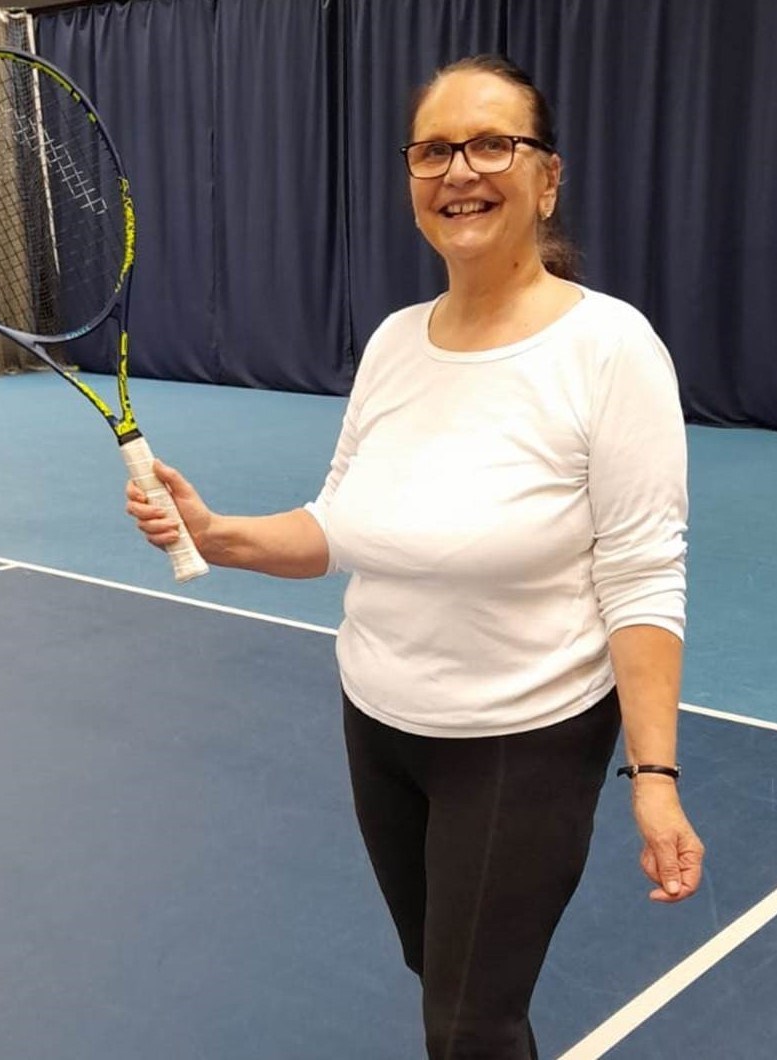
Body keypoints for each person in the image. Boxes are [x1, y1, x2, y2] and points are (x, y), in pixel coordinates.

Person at [125, 54, 704, 1060]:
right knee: (439, 976)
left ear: (546, 176)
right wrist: (218, 533)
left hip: (522, 739)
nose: (458, 173)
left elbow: (643, 569)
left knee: (467, 1024)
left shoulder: (609, 350)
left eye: (491, 144)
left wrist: (650, 772)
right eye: (432, 150)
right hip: (379, 724)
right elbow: (340, 526)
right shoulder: (394, 342)